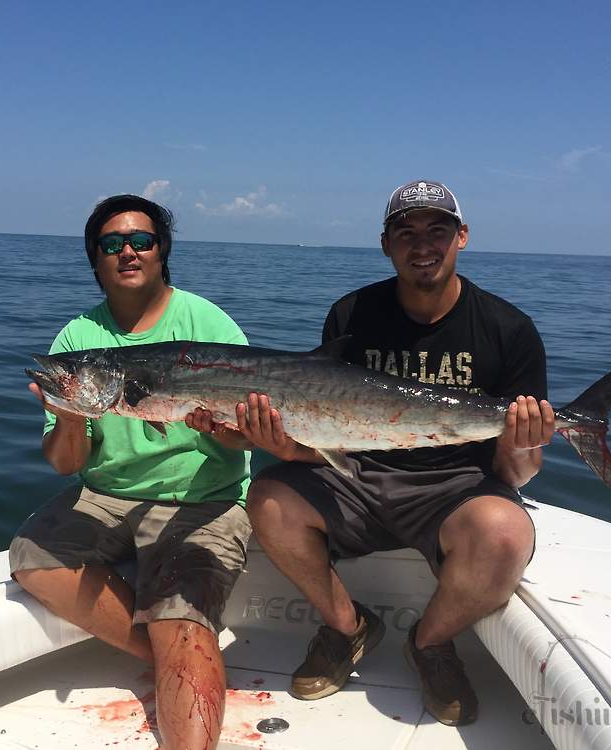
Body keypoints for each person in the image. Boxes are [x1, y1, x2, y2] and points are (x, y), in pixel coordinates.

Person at [236, 179, 555, 726]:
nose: (422, 244)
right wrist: (284, 445)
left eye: (438, 230)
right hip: (356, 476)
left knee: (506, 534)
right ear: (386, 244)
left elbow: (514, 475)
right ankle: (346, 627)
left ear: (463, 237)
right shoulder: (351, 314)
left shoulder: (509, 330)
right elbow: (328, 435)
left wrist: (524, 446)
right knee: (267, 498)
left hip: (455, 489)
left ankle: (430, 644)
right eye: (406, 233)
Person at [9, 195, 252, 750]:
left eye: (141, 240)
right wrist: (71, 417)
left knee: (182, 619)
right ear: (95, 259)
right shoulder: (75, 340)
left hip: (202, 498)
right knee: (31, 556)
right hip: (107, 494)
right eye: (111, 244)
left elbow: (246, 433)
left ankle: (182, 648)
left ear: (162, 252)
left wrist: (229, 428)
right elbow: (67, 463)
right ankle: (170, 656)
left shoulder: (206, 320)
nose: (128, 252)